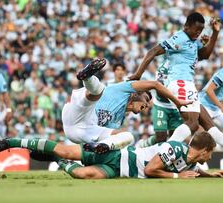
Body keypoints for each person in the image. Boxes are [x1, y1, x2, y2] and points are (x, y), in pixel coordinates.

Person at [129, 12, 223, 162]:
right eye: (195, 29)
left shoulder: (192, 40)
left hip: (188, 84)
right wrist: (138, 74)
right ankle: (160, 156)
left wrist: (215, 32)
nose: (198, 33)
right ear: (186, 26)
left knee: (207, 122)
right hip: (179, 82)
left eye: (200, 30)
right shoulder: (180, 38)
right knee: (192, 124)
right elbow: (153, 51)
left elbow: (205, 55)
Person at [62, 58, 191, 153]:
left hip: (82, 132)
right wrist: (177, 102)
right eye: (146, 99)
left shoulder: (120, 119)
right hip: (78, 115)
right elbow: (155, 85)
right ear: (137, 93)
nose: (147, 105)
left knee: (128, 136)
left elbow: (107, 133)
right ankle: (87, 77)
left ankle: (100, 148)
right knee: (98, 91)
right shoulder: (124, 88)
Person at [0, 131, 223, 179]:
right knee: (64, 148)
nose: (210, 158)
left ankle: (57, 161)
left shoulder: (187, 159)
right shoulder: (175, 147)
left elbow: (187, 169)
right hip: (116, 157)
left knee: (84, 175)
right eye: (210, 155)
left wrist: (211, 174)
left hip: (118, 172)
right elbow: (150, 170)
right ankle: (10, 141)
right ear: (204, 149)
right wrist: (178, 179)